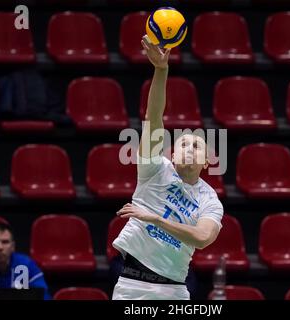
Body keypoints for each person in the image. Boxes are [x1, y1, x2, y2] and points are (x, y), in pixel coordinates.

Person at [112, 36, 224, 300]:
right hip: (131, 285)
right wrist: (161, 70)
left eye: (196, 146)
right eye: (182, 143)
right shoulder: (154, 169)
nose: (187, 149)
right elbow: (154, 117)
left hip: (174, 290)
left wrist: (155, 219)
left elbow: (202, 237)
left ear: (206, 162)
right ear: (172, 154)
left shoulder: (210, 200)